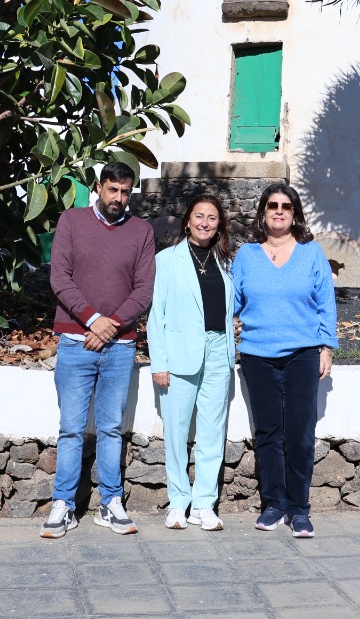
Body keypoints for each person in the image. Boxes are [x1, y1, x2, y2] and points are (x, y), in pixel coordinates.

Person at [42, 161, 156, 538]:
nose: (118, 198)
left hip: (119, 346)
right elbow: (60, 278)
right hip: (76, 343)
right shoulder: (71, 221)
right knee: (72, 428)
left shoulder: (141, 232)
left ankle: (111, 503)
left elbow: (143, 290)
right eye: (113, 189)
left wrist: (109, 326)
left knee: (110, 428)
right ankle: (63, 504)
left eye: (125, 192)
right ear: (99, 186)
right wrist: (93, 320)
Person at [232, 182, 335, 539]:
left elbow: (326, 304)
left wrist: (327, 347)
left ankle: (299, 509)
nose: (279, 210)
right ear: (263, 212)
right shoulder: (246, 255)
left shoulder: (311, 254)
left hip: (302, 355)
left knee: (301, 435)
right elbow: (232, 302)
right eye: (273, 205)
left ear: (295, 214)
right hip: (258, 356)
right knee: (268, 434)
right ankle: (273, 504)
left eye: (286, 206)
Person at [149, 193, 235, 531]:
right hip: (179, 353)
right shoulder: (166, 260)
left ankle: (203, 504)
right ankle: (177, 503)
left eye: (212, 218)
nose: (204, 223)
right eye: (199, 216)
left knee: (213, 433)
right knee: (177, 432)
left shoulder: (224, 262)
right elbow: (157, 315)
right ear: (188, 221)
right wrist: (159, 362)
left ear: (219, 226)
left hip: (217, 352)